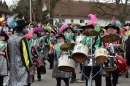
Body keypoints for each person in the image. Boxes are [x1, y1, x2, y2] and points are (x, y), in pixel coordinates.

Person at [6, 20, 34, 86]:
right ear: (23, 28)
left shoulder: (10, 39)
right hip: (22, 68)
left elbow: (7, 54)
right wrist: (30, 68)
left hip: (13, 68)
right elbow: (26, 55)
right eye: (25, 27)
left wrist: (11, 63)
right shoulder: (23, 39)